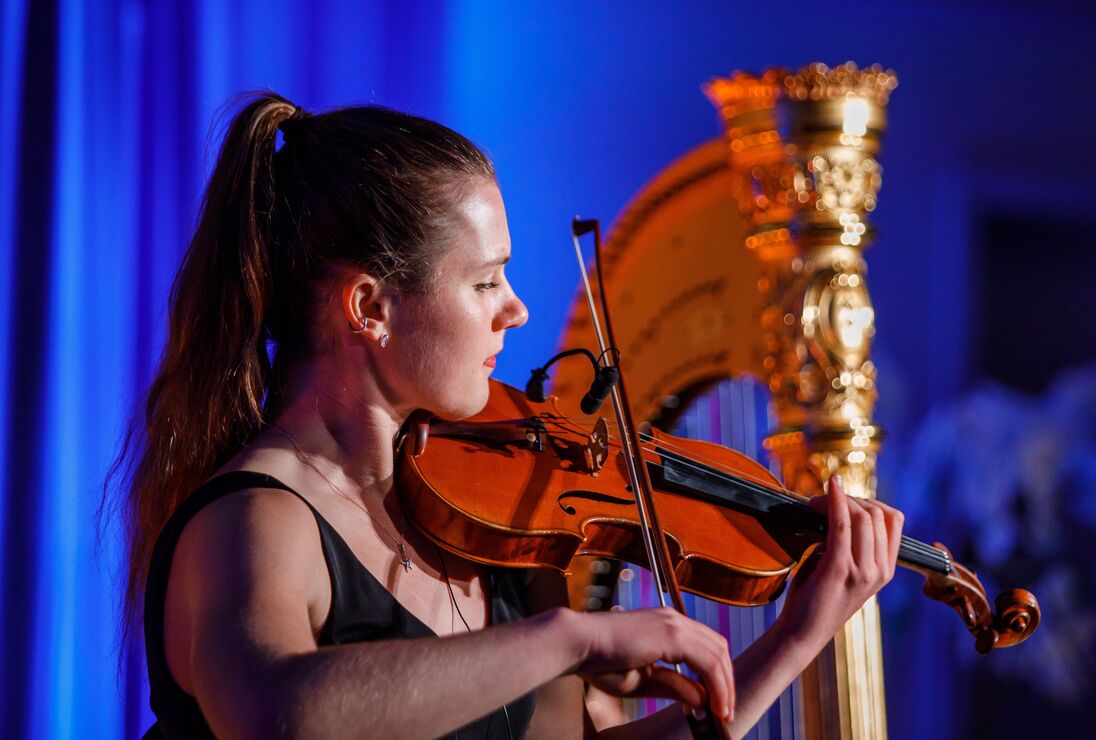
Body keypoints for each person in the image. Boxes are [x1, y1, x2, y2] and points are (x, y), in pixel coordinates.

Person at [119, 91, 903, 739]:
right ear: (370, 308)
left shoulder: (492, 525)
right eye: (486, 281)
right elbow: (272, 714)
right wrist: (569, 639)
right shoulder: (254, 520)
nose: (517, 310)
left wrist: (798, 637)